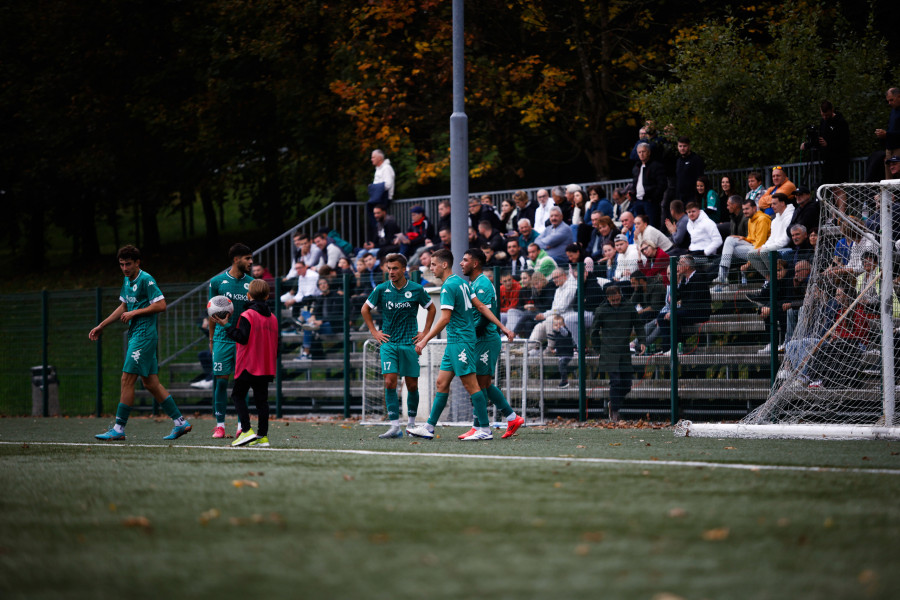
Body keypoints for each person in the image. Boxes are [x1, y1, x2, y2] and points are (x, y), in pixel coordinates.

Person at [407, 249, 515, 441]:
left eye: (433, 264)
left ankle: (484, 430)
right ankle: (429, 427)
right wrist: (503, 328)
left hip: (461, 342)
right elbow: (481, 307)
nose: (431, 268)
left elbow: (445, 319)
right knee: (441, 383)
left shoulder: (449, 287)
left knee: (472, 385)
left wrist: (424, 339)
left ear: (444, 265)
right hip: (454, 342)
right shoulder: (463, 284)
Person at [91, 245, 191, 441]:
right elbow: (124, 306)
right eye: (121, 264)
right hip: (137, 335)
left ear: (138, 262)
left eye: (128, 264)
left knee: (126, 379)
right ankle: (180, 423)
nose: (125, 268)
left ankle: (119, 428)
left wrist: (135, 313)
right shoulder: (127, 280)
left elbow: (161, 305)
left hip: (144, 336)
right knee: (151, 383)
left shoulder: (146, 279)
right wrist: (102, 325)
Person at [361, 253, 436, 439]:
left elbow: (432, 308)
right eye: (389, 268)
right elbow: (365, 309)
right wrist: (374, 332)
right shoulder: (381, 289)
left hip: (409, 343)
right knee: (389, 382)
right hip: (389, 343)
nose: (391, 272)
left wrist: (425, 332)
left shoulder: (417, 289)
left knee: (411, 385)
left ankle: (411, 426)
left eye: (395, 268)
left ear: (404, 269)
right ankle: (394, 426)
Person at [456, 249, 526, 439]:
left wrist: (469, 335)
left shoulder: (483, 285)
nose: (461, 263)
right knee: (480, 384)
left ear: (476, 263)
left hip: (486, 339)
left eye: (465, 260)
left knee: (481, 384)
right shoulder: (474, 283)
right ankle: (503, 420)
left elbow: (485, 318)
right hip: (480, 339)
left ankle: (490, 424)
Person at [208, 279, 277, 448]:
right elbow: (278, 344)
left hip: (249, 364)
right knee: (262, 401)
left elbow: (241, 337)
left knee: (237, 395)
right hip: (266, 366)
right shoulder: (273, 318)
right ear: (267, 296)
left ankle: (246, 430)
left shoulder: (247, 315)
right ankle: (262, 436)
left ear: (248, 295)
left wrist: (226, 325)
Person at [208, 243, 255, 439]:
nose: (251, 262)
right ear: (236, 259)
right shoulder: (217, 282)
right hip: (221, 338)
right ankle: (219, 425)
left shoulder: (252, 283)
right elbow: (211, 311)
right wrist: (211, 338)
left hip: (243, 339)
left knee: (242, 383)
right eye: (247, 258)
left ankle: (240, 425)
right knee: (220, 382)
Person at [591, 284, 645, 422]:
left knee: (627, 384)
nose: (615, 302)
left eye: (617, 299)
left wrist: (643, 341)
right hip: (608, 351)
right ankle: (615, 412)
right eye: (612, 300)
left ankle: (613, 403)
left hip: (624, 350)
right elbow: (594, 332)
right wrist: (598, 349)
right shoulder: (601, 310)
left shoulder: (628, 307)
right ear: (607, 298)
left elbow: (638, 324)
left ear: (620, 295)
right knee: (615, 381)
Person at [654, 255, 711, 356]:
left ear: (687, 267)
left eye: (680, 264)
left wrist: (673, 312)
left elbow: (693, 302)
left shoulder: (698, 278)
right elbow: (675, 297)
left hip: (699, 312)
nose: (677, 267)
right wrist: (676, 283)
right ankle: (667, 348)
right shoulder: (685, 279)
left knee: (673, 316)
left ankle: (675, 348)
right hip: (688, 310)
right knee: (661, 317)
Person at [746, 193, 795, 299]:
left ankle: (774, 281)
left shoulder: (790, 216)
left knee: (764, 252)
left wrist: (766, 248)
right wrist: (764, 246)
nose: (771, 206)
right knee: (751, 254)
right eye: (771, 204)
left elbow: (785, 240)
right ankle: (771, 279)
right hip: (774, 249)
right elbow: (772, 238)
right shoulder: (775, 219)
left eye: (774, 203)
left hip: (786, 249)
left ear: (782, 203)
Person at [714, 198, 771, 288]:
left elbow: (760, 243)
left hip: (762, 250)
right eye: (743, 209)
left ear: (755, 208)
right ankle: (722, 278)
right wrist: (744, 238)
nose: (744, 211)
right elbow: (752, 238)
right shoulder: (750, 219)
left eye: (747, 209)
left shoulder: (762, 219)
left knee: (729, 249)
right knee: (729, 240)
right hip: (752, 247)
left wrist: (749, 263)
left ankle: (722, 279)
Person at [801, 100, 850, 185]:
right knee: (829, 186)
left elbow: (844, 141)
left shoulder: (840, 122)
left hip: (839, 160)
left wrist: (829, 144)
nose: (825, 117)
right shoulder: (823, 122)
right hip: (827, 159)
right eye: (823, 115)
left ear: (832, 110)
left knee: (839, 186)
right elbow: (819, 138)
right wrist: (808, 145)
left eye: (826, 115)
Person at [673, 136, 705, 208]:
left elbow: (700, 178)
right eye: (680, 146)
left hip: (692, 197)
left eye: (684, 146)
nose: (682, 148)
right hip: (680, 197)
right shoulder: (678, 161)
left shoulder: (696, 159)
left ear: (689, 146)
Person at [876, 88, 900, 179]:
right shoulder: (893, 111)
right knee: (888, 178)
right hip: (890, 148)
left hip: (898, 148)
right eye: (888, 101)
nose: (890, 103)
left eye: (891, 100)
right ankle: (888, 192)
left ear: (899, 97)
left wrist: (887, 134)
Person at [547, 315, 575, 389]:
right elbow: (560, 344)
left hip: (567, 354)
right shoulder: (557, 334)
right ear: (553, 326)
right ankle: (564, 381)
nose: (558, 326)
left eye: (560, 324)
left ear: (564, 325)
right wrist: (555, 350)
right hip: (561, 354)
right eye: (556, 325)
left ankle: (564, 381)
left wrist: (561, 328)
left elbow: (565, 333)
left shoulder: (565, 332)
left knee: (562, 365)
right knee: (560, 366)